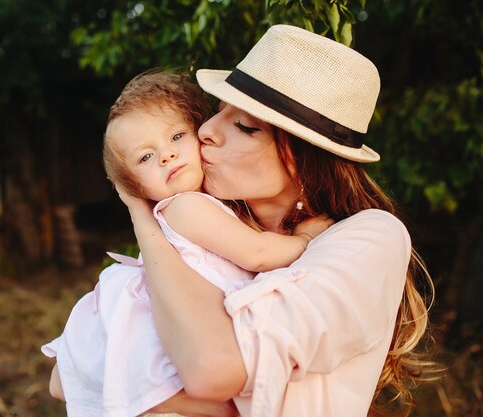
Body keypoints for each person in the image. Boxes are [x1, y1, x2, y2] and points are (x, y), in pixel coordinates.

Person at [115, 24, 436, 417]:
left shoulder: (370, 237)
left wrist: (142, 218)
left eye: (245, 127)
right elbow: (67, 373)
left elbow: (209, 370)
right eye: (219, 112)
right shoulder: (214, 231)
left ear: (304, 160)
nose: (206, 131)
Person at [43, 71, 331, 417]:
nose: (165, 156)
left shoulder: (205, 206)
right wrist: (304, 239)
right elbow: (257, 253)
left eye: (176, 137)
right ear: (135, 188)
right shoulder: (185, 207)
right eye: (145, 157)